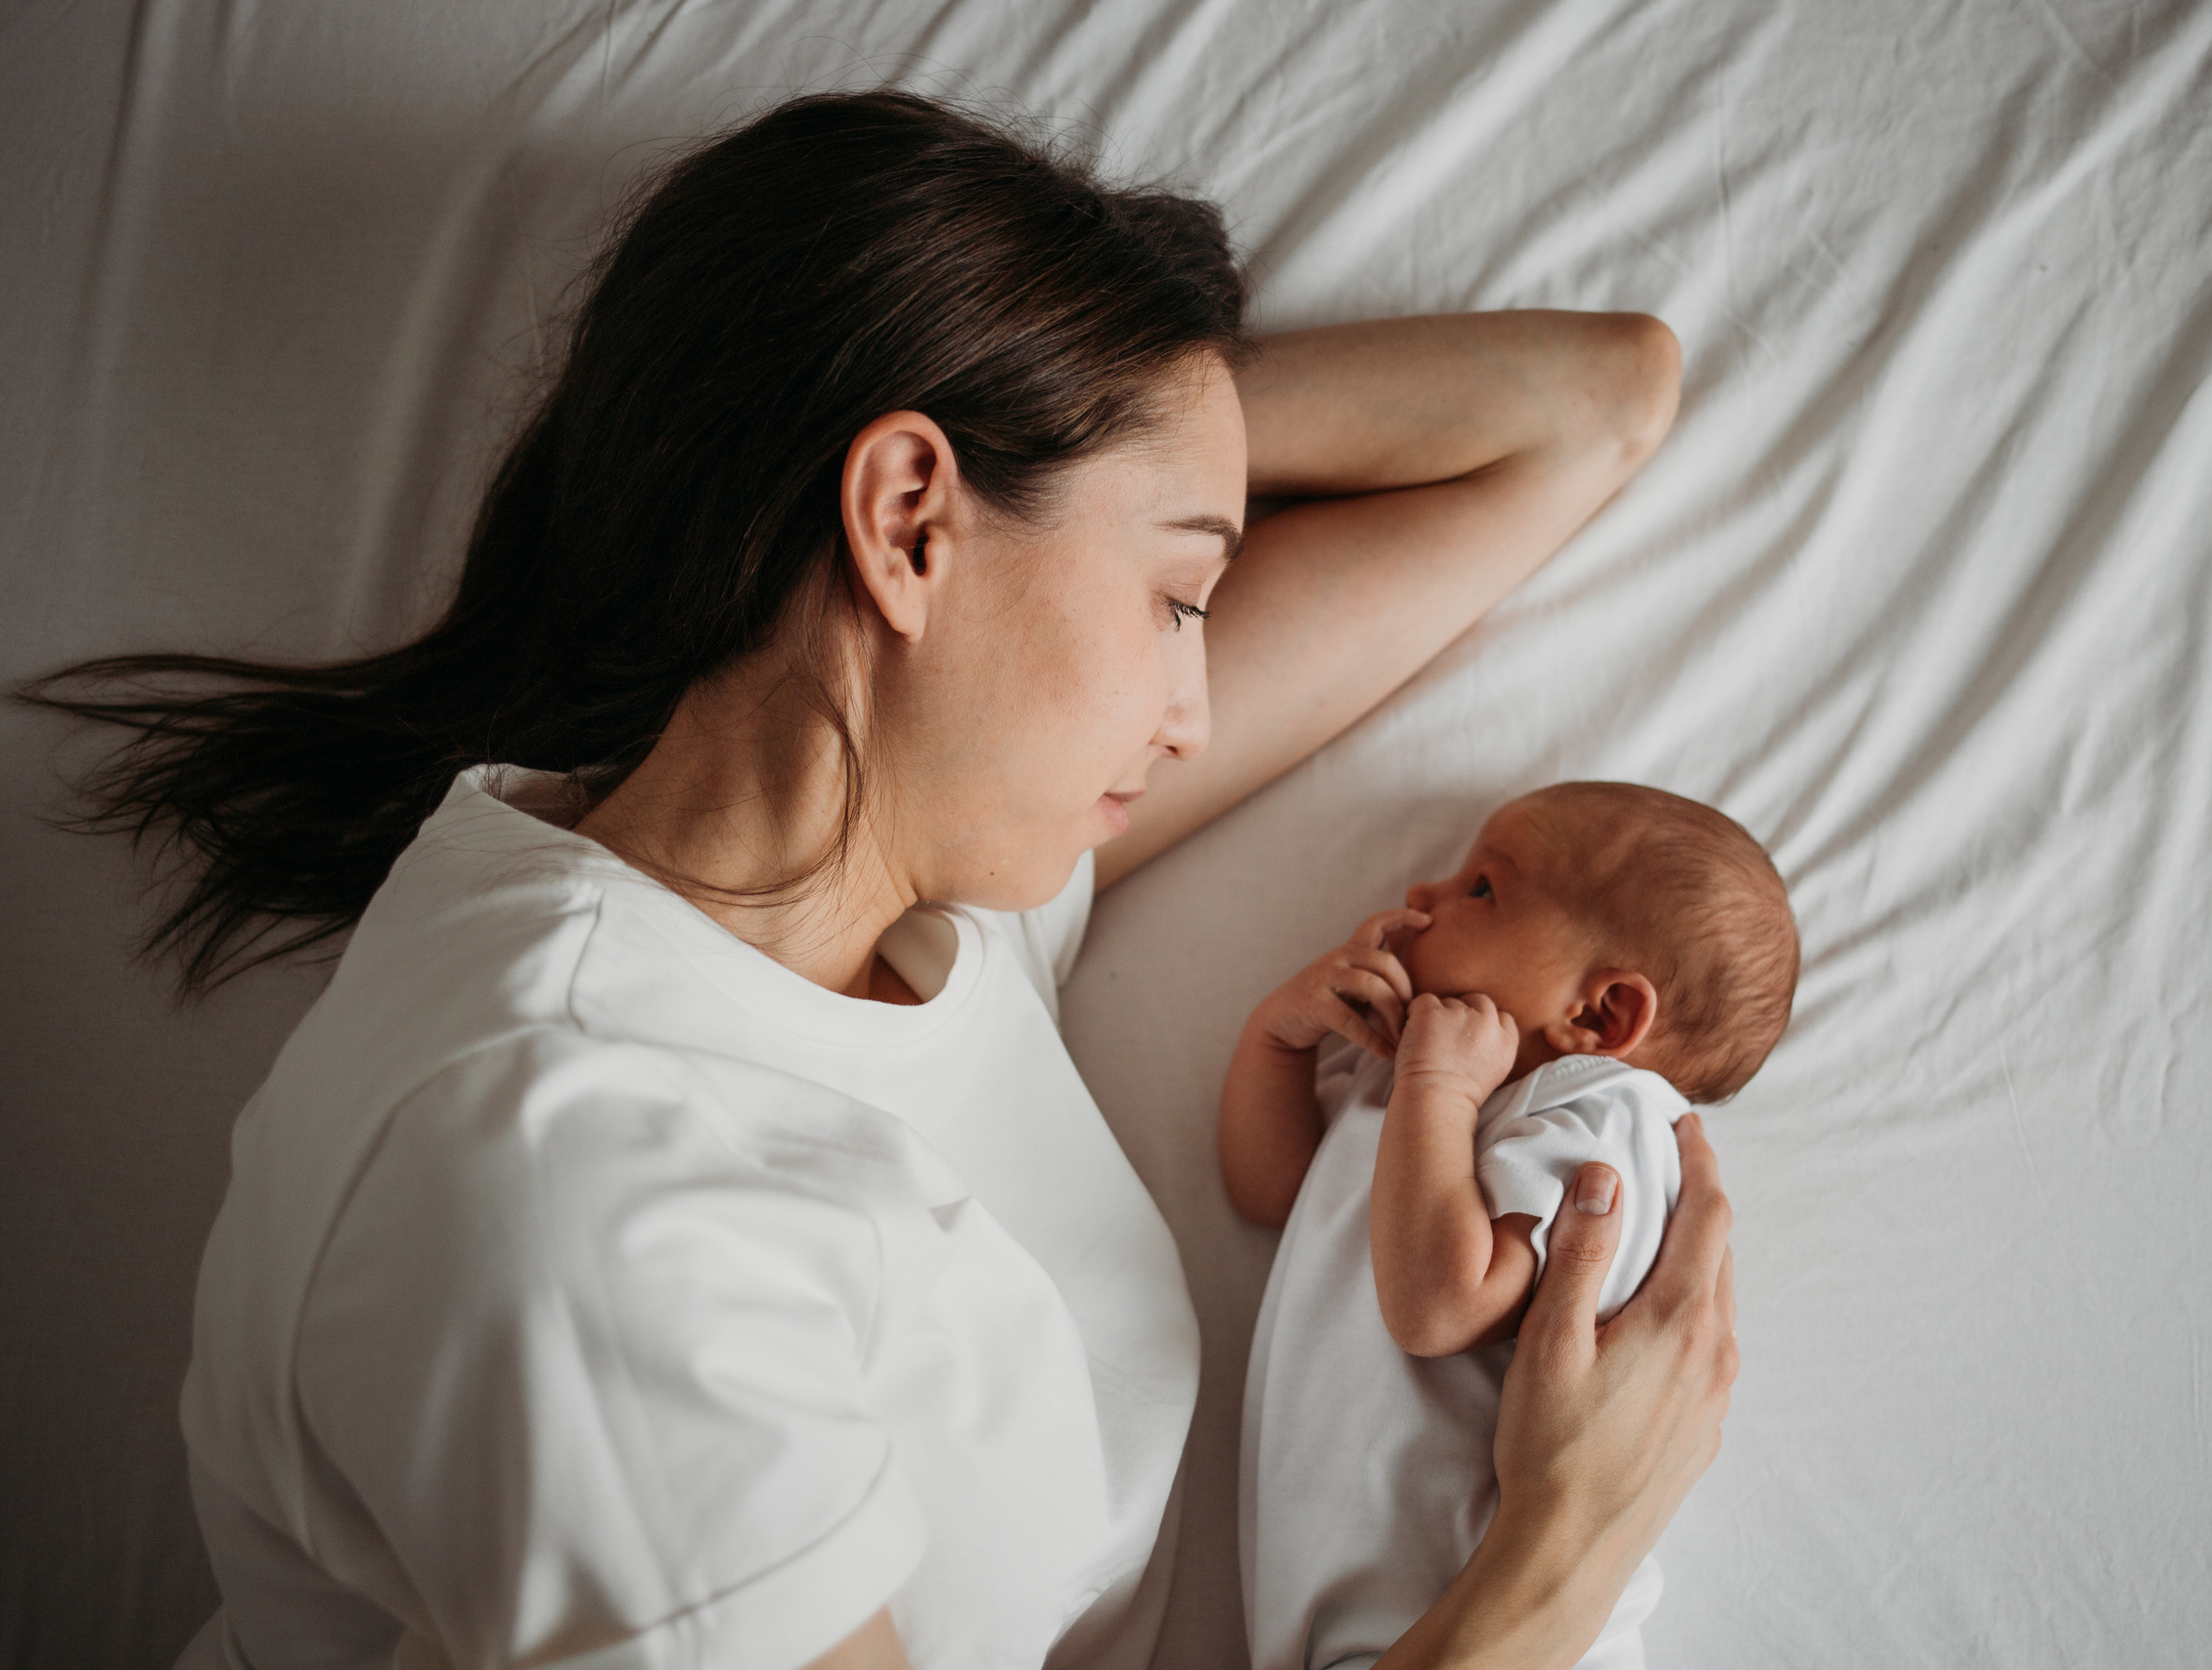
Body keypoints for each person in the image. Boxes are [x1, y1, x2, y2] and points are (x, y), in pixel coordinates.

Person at [20, 90, 1738, 1670]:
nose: (1193, 700)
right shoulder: (570, 1191)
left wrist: (1122, 445)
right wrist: (1548, 1572)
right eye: (1176, 599)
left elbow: (1598, 404)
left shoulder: (924, 899)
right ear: (909, 521)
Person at [1222, 784, 1797, 1670]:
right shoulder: (1418, 1083)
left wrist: (1439, 1091)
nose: (1424, 895)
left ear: (1599, 1016)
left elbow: (1439, 1304)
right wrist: (1279, 1040)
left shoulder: (1603, 1112)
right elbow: (1269, 1191)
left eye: (1482, 888)